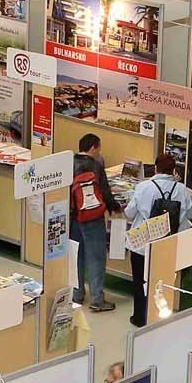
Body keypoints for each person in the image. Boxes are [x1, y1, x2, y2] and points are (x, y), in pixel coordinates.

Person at [124, 152, 184, 328]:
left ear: (156, 168)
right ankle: (159, 318)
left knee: (140, 281)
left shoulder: (144, 187)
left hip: (142, 243)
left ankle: (140, 318)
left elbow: (130, 212)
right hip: (167, 244)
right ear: (173, 170)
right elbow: (186, 215)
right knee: (162, 281)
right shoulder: (181, 189)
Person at [71, 133, 118, 314]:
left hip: (75, 216)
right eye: (98, 148)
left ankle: (77, 293)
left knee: (78, 255)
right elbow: (105, 192)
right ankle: (97, 299)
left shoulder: (69, 163)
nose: (99, 152)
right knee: (96, 257)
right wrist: (114, 207)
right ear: (93, 148)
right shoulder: (96, 166)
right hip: (92, 217)